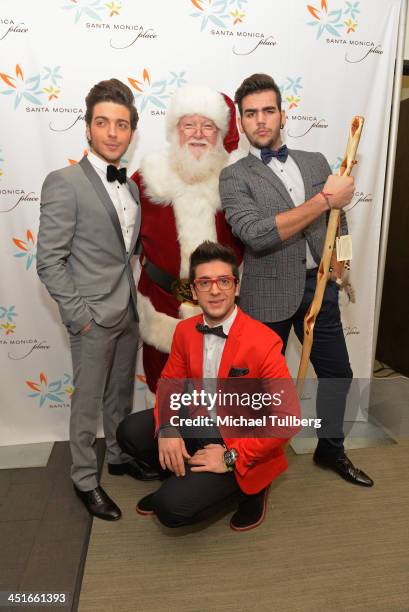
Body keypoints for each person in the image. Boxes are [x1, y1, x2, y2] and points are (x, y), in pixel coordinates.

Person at [219, 73, 373, 487]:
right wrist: (325, 199)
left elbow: (338, 223)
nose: (261, 121)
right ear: (242, 122)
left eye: (268, 110)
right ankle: (254, 461)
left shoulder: (316, 162)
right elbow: (257, 233)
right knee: (260, 390)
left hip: (318, 288)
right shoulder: (234, 177)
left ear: (282, 114)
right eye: (250, 114)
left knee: (338, 372)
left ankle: (331, 449)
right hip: (265, 293)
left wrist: (342, 262)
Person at [117, 241, 300, 531]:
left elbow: (287, 421)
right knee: (129, 432)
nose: (215, 291)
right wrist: (168, 429)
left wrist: (230, 458)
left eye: (224, 281)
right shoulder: (185, 331)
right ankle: (183, 476)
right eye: (204, 282)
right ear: (193, 292)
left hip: (240, 441)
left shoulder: (263, 342)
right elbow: (170, 383)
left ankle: (250, 489)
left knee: (170, 509)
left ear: (237, 287)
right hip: (200, 422)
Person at [37, 79, 147, 522]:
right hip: (92, 317)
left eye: (122, 124)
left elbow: (127, 254)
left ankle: (118, 457)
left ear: (131, 132)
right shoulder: (63, 182)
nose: (113, 133)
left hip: (127, 311)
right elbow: (49, 261)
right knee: (87, 402)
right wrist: (79, 317)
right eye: (103, 123)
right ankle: (85, 478)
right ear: (87, 128)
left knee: (120, 394)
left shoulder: (133, 189)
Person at [131, 85, 242, 405]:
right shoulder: (149, 177)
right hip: (162, 306)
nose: (198, 133)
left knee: (217, 394)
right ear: (174, 130)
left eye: (208, 126)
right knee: (163, 391)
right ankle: (165, 450)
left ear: (219, 133)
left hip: (220, 307)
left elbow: (248, 240)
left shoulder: (233, 180)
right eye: (188, 124)